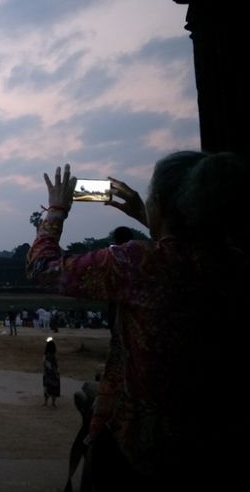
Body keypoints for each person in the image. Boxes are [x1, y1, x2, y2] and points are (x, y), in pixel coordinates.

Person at [26, 153, 248, 490]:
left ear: (160, 202)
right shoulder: (235, 265)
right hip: (218, 443)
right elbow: (186, 244)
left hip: (143, 450)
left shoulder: (139, 264)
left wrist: (56, 210)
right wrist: (148, 217)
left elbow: (43, 270)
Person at [43, 337, 60, 407]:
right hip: (53, 373)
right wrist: (56, 373)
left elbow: (45, 365)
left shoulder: (46, 356)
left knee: (47, 387)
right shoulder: (53, 356)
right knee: (54, 388)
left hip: (47, 374)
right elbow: (55, 366)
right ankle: (53, 402)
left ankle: (46, 402)